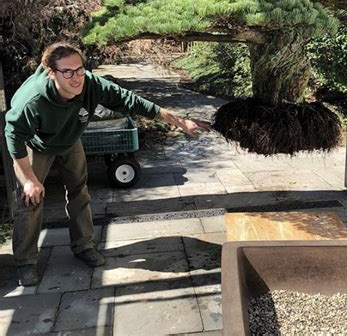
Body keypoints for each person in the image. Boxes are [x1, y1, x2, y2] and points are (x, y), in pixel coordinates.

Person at [4, 42, 211, 286]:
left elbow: (133, 101)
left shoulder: (91, 84)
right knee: (31, 199)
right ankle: (26, 262)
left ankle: (83, 246)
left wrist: (180, 122)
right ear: (52, 72)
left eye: (79, 69)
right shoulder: (34, 100)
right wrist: (29, 179)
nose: (76, 77)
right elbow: (13, 134)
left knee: (80, 191)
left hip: (70, 139)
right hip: (36, 143)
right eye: (67, 72)